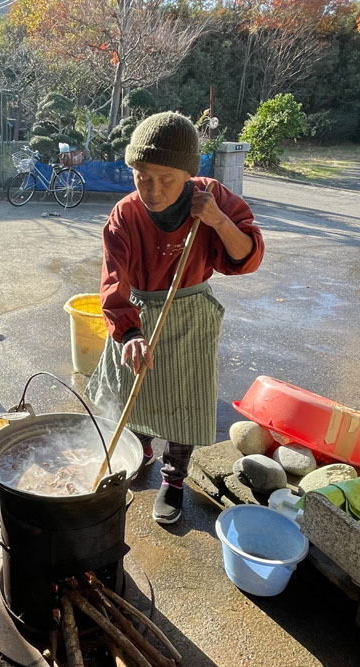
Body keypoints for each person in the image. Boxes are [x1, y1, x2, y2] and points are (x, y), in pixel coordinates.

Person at [86, 112, 264, 524]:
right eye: (141, 176)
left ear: (189, 172)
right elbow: (114, 282)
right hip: (140, 312)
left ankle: (174, 478)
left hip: (191, 311)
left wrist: (217, 220)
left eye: (166, 178)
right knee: (138, 386)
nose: (152, 189)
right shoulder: (124, 215)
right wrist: (128, 331)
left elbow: (247, 256)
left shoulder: (210, 196)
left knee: (185, 397)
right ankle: (141, 447)